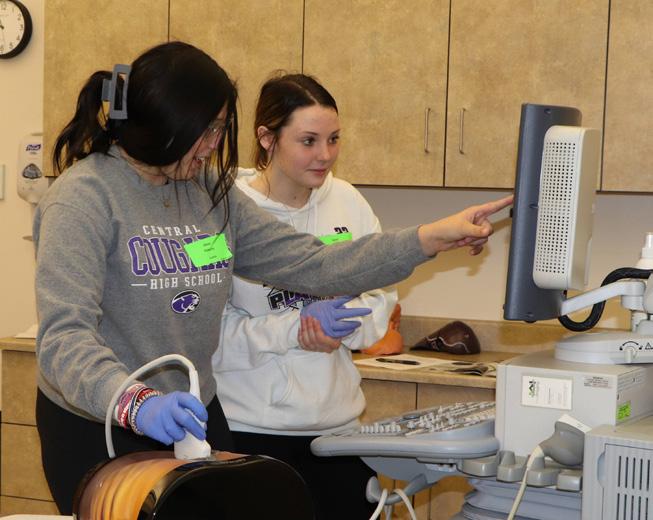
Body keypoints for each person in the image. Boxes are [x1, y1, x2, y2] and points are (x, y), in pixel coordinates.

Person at [33, 41, 512, 515]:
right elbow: (64, 339)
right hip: (100, 418)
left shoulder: (208, 192)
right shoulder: (84, 198)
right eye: (207, 130)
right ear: (165, 123)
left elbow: (313, 264)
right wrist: (138, 403)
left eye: (221, 129)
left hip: (192, 413)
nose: (215, 145)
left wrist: (428, 239)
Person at [211, 73, 401, 518]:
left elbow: (381, 292)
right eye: (309, 141)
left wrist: (344, 327)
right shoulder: (223, 211)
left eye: (334, 139)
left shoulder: (348, 203)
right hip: (250, 432)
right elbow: (208, 331)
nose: (325, 155)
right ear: (267, 138)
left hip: (338, 433)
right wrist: (294, 329)